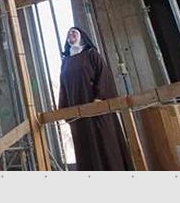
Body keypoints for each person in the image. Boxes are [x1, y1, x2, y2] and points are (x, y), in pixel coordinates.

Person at [57, 26, 133, 171]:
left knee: (105, 144)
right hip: (78, 115)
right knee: (85, 148)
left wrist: (100, 97)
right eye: (68, 33)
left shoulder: (92, 54)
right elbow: (63, 86)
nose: (70, 33)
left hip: (97, 109)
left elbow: (103, 75)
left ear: (82, 37)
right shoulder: (66, 62)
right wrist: (64, 108)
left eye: (74, 31)